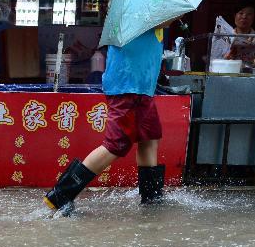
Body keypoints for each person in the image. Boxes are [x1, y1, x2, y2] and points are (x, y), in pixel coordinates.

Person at [43, 19, 180, 215]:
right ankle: (60, 196)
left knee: (149, 138)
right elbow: (162, 21)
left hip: (142, 87)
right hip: (127, 85)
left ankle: (152, 199)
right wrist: (178, 13)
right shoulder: (139, 11)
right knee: (115, 145)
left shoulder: (148, 10)